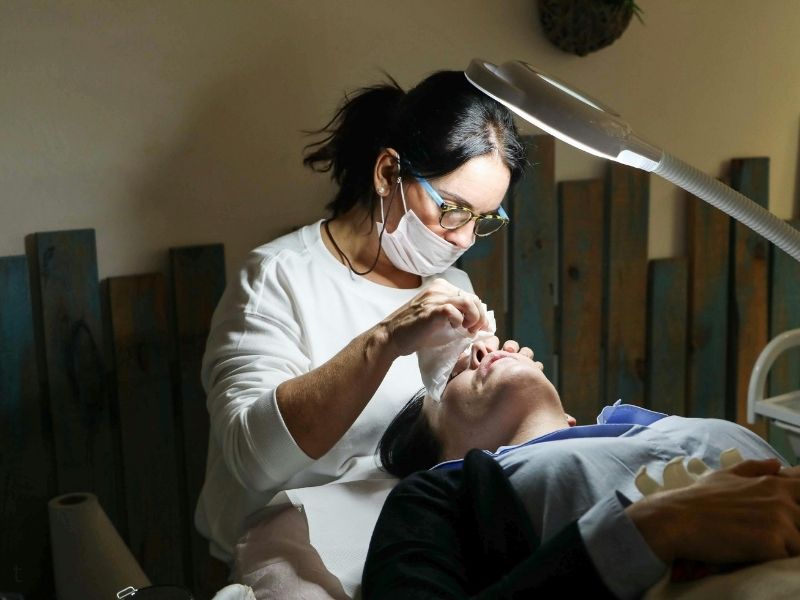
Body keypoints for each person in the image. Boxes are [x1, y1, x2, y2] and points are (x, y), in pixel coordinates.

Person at [194, 70, 527, 596]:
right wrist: (385, 340)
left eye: (484, 219)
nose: (464, 238)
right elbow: (254, 463)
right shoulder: (278, 278)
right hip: (283, 555)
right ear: (388, 171)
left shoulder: (452, 285)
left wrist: (492, 386)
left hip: (404, 539)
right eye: (452, 209)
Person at [362, 344, 800, 599]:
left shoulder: (672, 427)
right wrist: (656, 528)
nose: (485, 348)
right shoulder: (440, 495)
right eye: (451, 374)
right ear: (445, 457)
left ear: (572, 420)